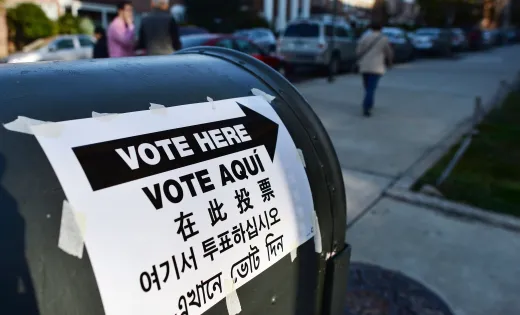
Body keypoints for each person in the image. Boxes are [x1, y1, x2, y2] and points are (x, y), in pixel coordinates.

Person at [356, 22, 393, 117]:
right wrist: (389, 62)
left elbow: (358, 51)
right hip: (377, 67)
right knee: (371, 88)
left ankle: (368, 102)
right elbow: (388, 52)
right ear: (381, 28)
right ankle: (367, 107)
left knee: (367, 87)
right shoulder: (384, 39)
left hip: (364, 66)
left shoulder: (365, 37)